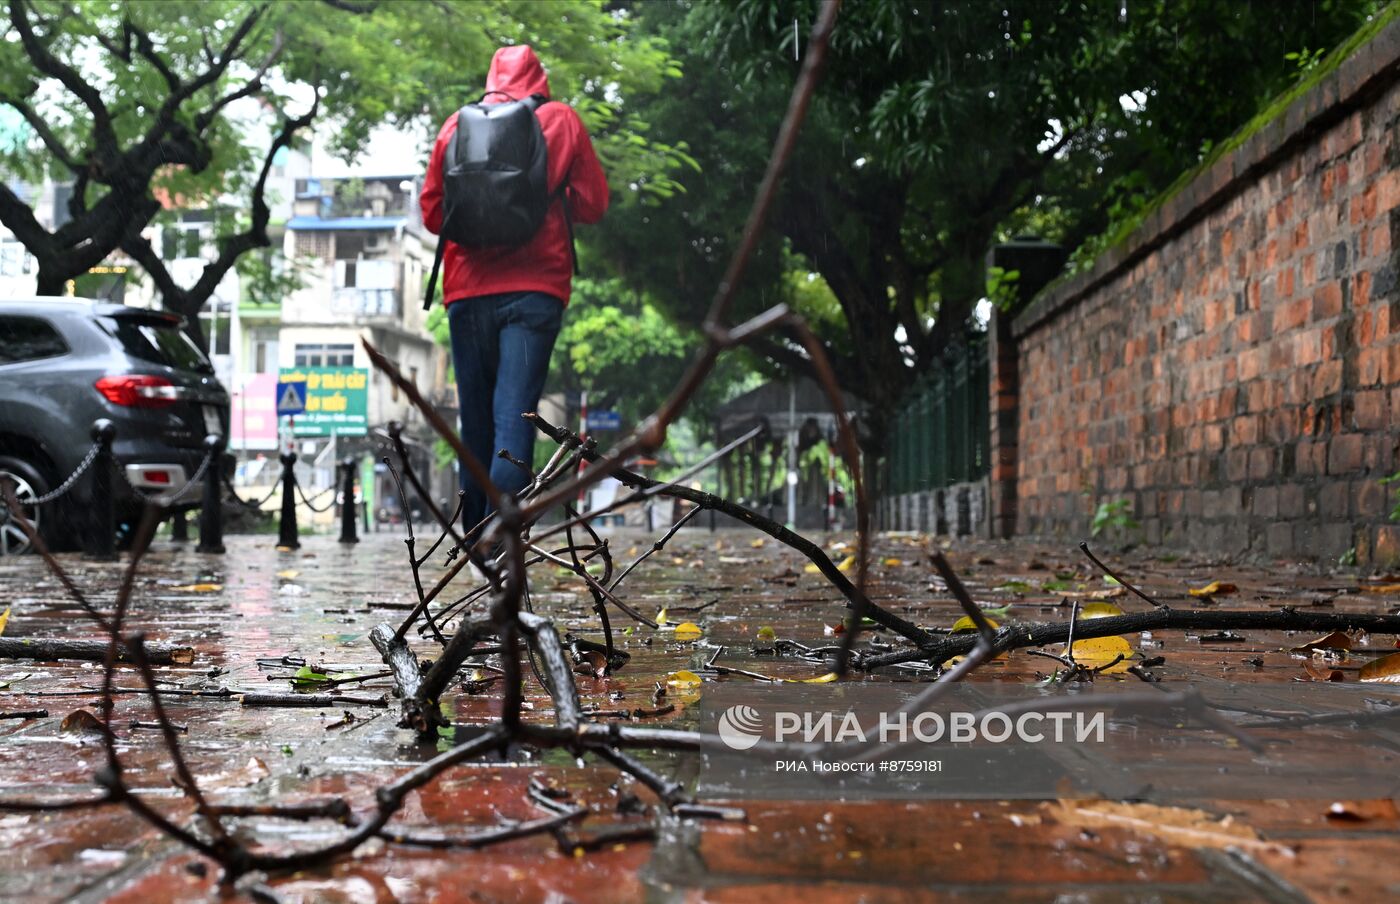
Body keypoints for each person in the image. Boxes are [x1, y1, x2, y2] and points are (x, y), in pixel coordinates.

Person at [420, 45, 608, 534]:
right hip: (534, 290)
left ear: (491, 79)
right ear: (539, 80)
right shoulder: (562, 120)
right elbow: (593, 204)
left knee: (475, 428)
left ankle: (473, 548)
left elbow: (433, 214)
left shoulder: (454, 126)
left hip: (466, 292)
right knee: (513, 422)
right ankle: (504, 553)